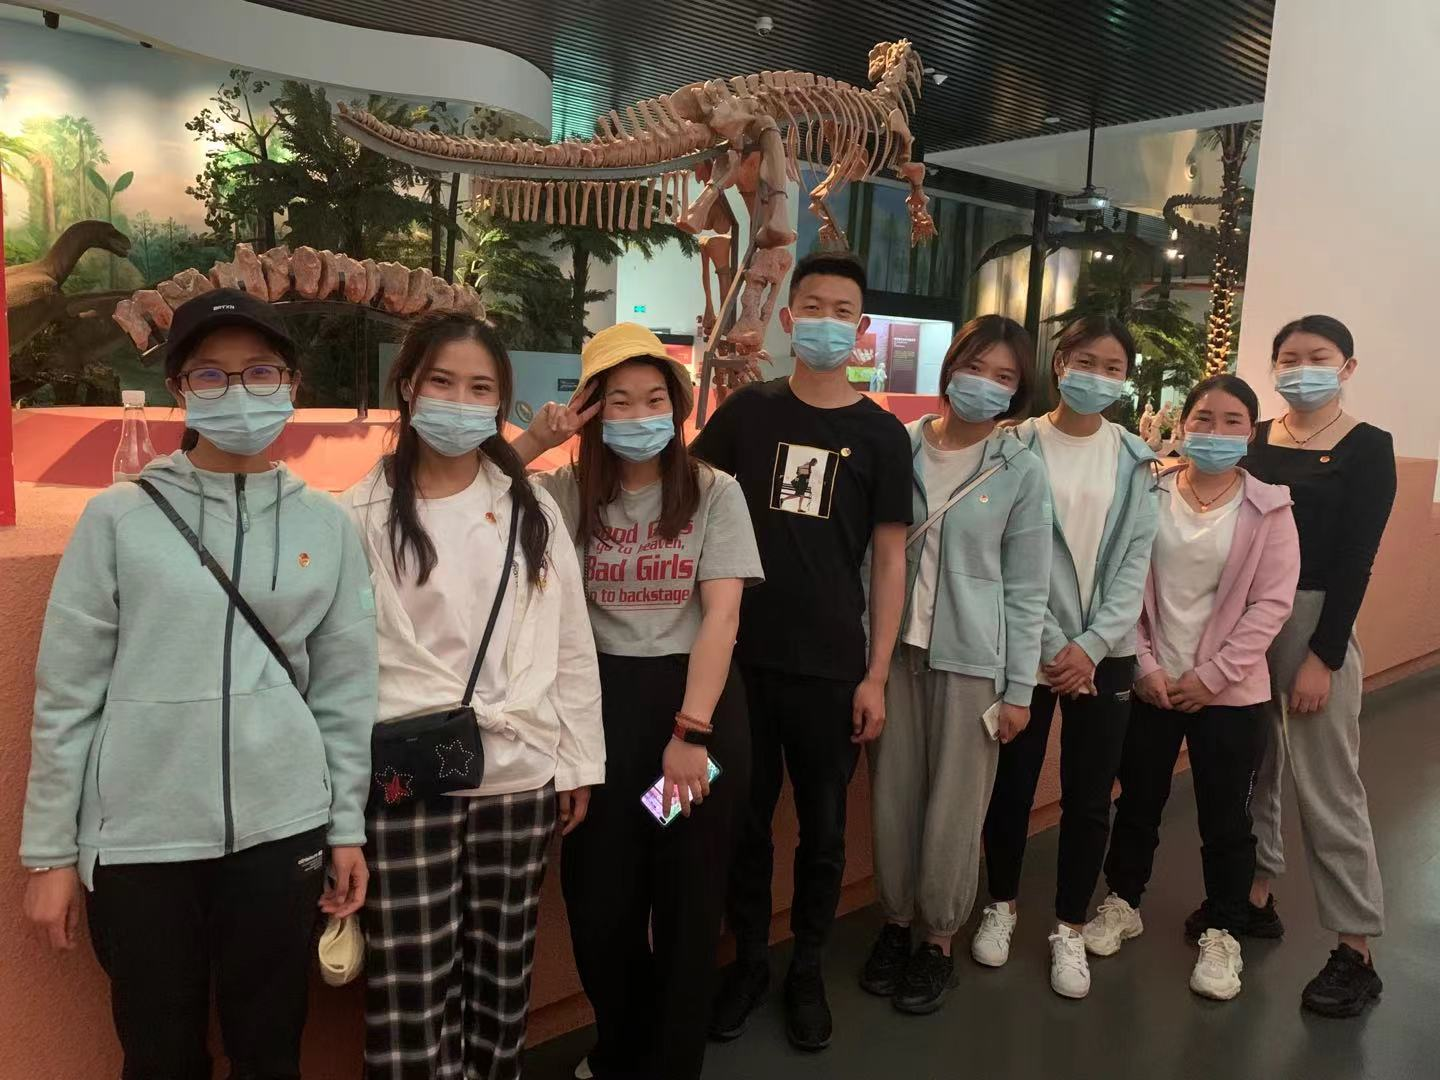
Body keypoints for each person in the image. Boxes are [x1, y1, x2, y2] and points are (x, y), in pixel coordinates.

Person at [20, 288, 376, 1079]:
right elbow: (67, 694)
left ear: (291, 383)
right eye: (211, 374)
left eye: (260, 371)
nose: (238, 390)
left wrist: (345, 826)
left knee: (270, 1048)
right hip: (141, 843)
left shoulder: (328, 525)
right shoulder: (118, 519)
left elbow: (346, 692)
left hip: (283, 831)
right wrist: (49, 855)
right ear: (180, 390)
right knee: (159, 1054)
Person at [340, 312, 604, 1079]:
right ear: (408, 386)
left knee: (502, 976)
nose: (460, 402)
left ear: (500, 403)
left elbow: (569, 640)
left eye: (480, 388)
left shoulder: (532, 509)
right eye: (443, 382)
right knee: (411, 986)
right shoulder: (356, 514)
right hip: (407, 779)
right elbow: (339, 664)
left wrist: (578, 761)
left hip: (517, 776)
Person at [524, 323, 763, 1080]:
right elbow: (474, 485)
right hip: (601, 716)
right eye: (618, 401)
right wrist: (537, 439)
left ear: (678, 406)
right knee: (601, 902)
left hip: (691, 718)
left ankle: (672, 1062)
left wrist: (690, 734)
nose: (638, 415)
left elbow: (722, 617)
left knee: (687, 900)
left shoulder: (714, 491)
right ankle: (621, 1045)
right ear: (591, 409)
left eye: (654, 399)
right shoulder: (566, 493)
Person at [692, 251, 912, 1050]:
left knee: (822, 829)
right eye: (811, 306)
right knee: (742, 821)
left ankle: (808, 965)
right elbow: (685, 502)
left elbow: (889, 559)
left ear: (861, 328)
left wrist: (876, 674)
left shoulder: (882, 435)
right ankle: (749, 961)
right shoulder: (746, 414)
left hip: (831, 666)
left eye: (841, 310)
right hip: (738, 664)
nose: (825, 321)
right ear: (788, 320)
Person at [1085, 374, 1299, 1001]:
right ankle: (1123, 902)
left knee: (1226, 818)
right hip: (1152, 683)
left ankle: (1225, 930)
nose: (1215, 431)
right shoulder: (1149, 491)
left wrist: (1211, 677)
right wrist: (1145, 666)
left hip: (1230, 693)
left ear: (1251, 432)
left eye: (1233, 421)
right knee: (1138, 802)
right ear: (1183, 424)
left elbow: (1271, 605)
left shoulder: (1270, 509)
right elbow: (1122, 583)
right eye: (1204, 418)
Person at [861, 316, 1052, 1015]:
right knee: (892, 798)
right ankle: (894, 923)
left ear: (1018, 390)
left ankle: (938, 939)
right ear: (950, 369)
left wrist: (1020, 689)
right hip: (892, 655)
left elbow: (1028, 588)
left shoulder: (1021, 470)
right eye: (976, 368)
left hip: (973, 663)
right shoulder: (899, 446)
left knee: (954, 809)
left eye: (1005, 376)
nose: (986, 385)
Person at [975, 314, 1159, 999]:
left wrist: (1091, 646)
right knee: (1012, 784)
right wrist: (1056, 646)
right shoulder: (1014, 443)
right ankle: (1000, 905)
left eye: (1113, 368)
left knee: (1088, 797)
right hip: (1028, 646)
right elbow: (1001, 550)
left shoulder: (1135, 457)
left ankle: (1070, 927)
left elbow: (1135, 562)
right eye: (1086, 362)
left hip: (1104, 654)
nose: (1098, 377)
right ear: (1059, 363)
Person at [1234, 315, 1394, 1017]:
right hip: (1247, 619)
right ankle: (1255, 894)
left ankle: (1355, 948)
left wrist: (1323, 657)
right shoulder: (1254, 438)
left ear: (1347, 367)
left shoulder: (1369, 447)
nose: (1301, 369)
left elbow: (1358, 560)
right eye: (1288, 358)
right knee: (1254, 769)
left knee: (1329, 787)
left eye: (1318, 357)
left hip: (1315, 621)